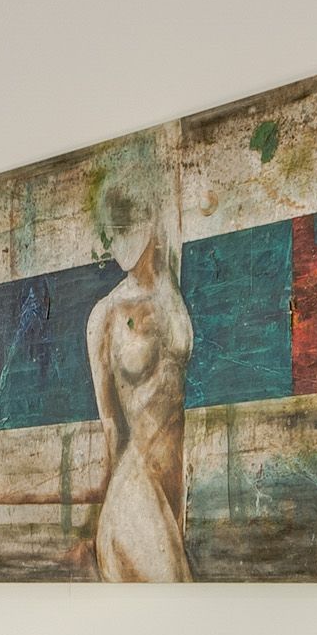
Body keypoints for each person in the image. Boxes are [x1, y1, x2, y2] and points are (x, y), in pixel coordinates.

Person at [84, 160, 193, 581]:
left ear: (150, 218)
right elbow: (111, 424)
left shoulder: (171, 289)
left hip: (168, 497)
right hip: (133, 496)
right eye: (110, 231)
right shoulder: (105, 315)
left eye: (128, 222)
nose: (118, 241)